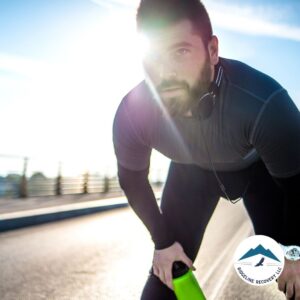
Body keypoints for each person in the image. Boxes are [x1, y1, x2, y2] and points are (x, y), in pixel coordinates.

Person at [112, 0, 300, 299]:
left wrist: (294, 250)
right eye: (154, 56)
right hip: (192, 175)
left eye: (181, 51)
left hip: (261, 172)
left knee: (296, 269)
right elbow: (132, 179)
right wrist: (162, 243)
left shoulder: (266, 103)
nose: (166, 72)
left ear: (212, 51)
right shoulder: (133, 113)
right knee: (168, 273)